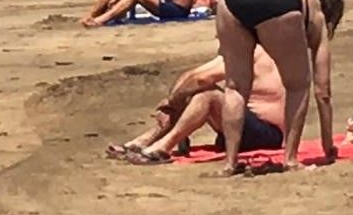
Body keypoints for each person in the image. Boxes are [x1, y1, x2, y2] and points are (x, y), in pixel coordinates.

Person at [211, 0, 344, 173]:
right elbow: (322, 91)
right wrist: (328, 144)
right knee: (298, 85)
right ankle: (290, 159)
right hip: (279, 4)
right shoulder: (316, 14)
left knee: (235, 86)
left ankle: (230, 163)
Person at [107, 46, 291, 165]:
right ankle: (145, 141)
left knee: (208, 94)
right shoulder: (242, 47)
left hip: (267, 134)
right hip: (243, 127)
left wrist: (171, 103)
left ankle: (163, 147)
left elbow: (202, 79)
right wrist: (174, 102)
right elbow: (192, 76)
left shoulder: (252, 50)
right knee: (191, 88)